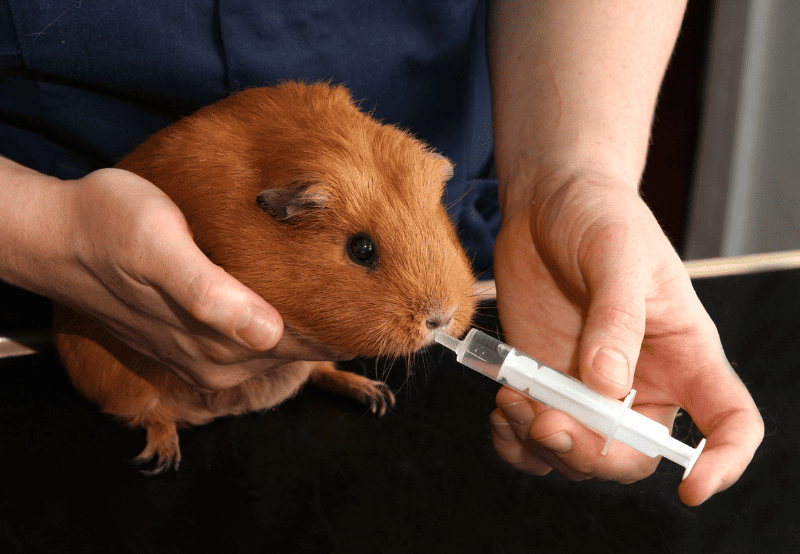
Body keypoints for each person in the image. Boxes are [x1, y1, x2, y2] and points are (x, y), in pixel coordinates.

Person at [0, 0, 762, 506]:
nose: (439, 312)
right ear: (286, 211)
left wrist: (571, 171)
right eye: (362, 248)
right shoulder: (271, 201)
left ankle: (312, 364)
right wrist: (38, 229)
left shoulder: (412, 193)